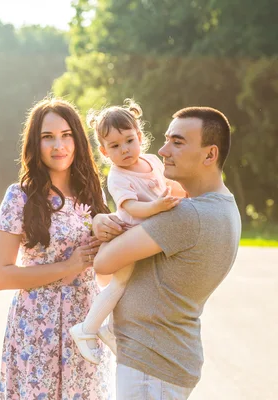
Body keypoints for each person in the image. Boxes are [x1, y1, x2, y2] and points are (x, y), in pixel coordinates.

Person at [91, 107, 241, 399]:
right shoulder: (224, 206)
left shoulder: (186, 216)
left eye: (178, 142)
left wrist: (102, 223)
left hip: (151, 365)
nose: (162, 150)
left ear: (210, 155)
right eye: (166, 139)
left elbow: (103, 263)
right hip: (166, 357)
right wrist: (100, 219)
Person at [0, 97, 121, 399]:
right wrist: (68, 266)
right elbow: (0, 276)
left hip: (85, 326)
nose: (58, 145)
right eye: (47, 137)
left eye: (66, 135)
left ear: (77, 140)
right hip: (37, 327)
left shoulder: (93, 194)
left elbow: (104, 276)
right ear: (35, 145)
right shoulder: (19, 198)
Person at [69, 99, 186, 364]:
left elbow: (169, 185)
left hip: (149, 234)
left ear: (140, 137)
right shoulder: (118, 176)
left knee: (136, 284)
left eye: (129, 140)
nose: (124, 150)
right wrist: (156, 206)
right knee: (119, 283)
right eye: (115, 146)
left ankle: (110, 328)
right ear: (104, 151)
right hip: (128, 236)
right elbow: (131, 207)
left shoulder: (153, 161)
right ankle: (86, 329)